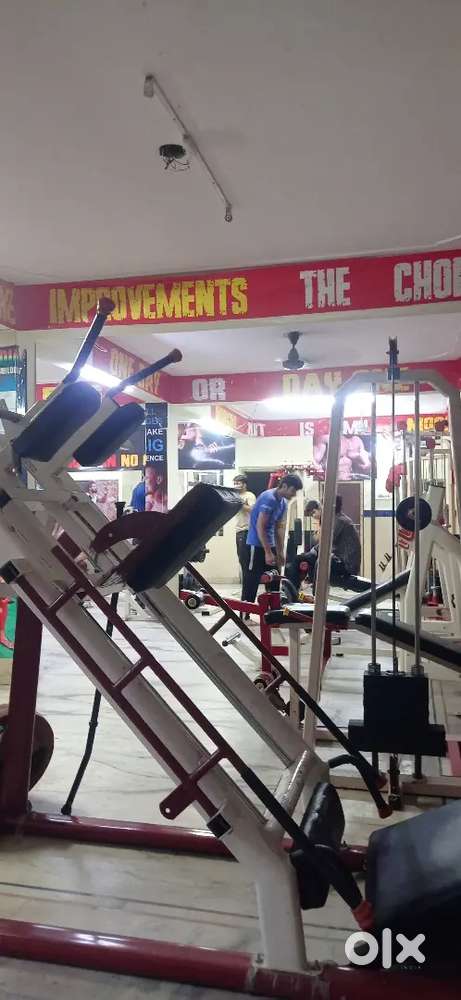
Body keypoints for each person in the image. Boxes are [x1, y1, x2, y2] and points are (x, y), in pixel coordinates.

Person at [243, 473, 303, 603]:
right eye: (293, 490)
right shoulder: (268, 498)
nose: (294, 494)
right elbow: (260, 526)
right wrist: (268, 552)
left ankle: (273, 611)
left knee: (274, 580)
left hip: (270, 545)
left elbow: (278, 529)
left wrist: (280, 552)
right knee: (251, 581)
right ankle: (244, 612)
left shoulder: (283, 503)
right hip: (256, 545)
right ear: (284, 486)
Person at [286, 495, 361, 591]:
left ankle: (294, 591)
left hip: (346, 565)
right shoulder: (337, 519)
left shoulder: (339, 521)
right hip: (341, 560)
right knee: (306, 559)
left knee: (301, 559)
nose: (321, 508)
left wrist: (312, 551)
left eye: (322, 505)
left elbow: (326, 543)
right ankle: (300, 588)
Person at [233, 474, 256, 601]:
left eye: (238, 483)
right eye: (235, 483)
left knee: (247, 565)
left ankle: (247, 597)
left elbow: (253, 510)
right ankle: (245, 594)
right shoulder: (235, 496)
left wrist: (240, 504)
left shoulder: (249, 495)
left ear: (244, 484)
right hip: (238, 532)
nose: (236, 485)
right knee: (242, 563)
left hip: (246, 532)